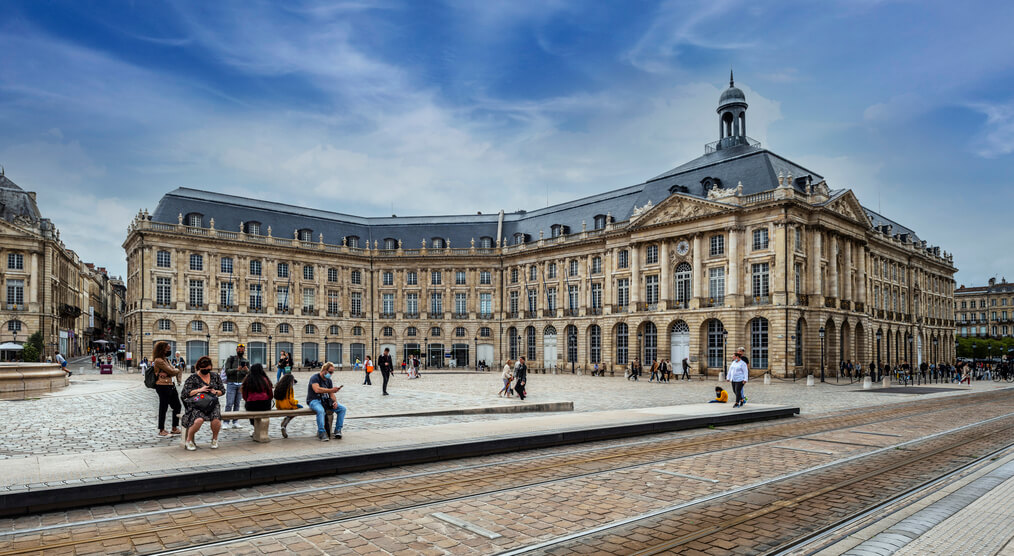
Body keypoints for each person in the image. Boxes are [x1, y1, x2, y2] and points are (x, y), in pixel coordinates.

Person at [180, 356, 224, 450]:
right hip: (198, 404)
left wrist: (215, 392)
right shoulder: (193, 378)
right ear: (199, 367)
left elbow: (222, 391)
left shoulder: (215, 376)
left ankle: (214, 439)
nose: (206, 371)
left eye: (208, 369)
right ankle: (189, 440)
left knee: (216, 420)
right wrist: (200, 390)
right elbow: (185, 394)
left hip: (212, 403)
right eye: (203, 369)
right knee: (198, 420)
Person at [307, 362, 346, 441]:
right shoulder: (315, 378)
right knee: (320, 411)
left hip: (325, 401)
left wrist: (335, 402)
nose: (331, 374)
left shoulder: (328, 380)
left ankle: (338, 430)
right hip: (314, 400)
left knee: (342, 409)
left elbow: (331, 394)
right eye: (330, 372)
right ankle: (322, 432)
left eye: (332, 372)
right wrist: (331, 389)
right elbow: (317, 389)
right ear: (324, 370)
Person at [152, 341, 183, 437]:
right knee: (163, 407)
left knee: (177, 406)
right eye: (168, 349)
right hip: (162, 386)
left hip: (170, 384)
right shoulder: (159, 360)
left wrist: (173, 371)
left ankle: (174, 427)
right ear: (162, 349)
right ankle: (161, 430)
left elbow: (173, 370)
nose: (169, 350)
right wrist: (173, 371)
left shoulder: (166, 360)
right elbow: (172, 371)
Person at [222, 344, 250, 429]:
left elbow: (248, 373)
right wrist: (236, 370)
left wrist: (246, 370)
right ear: (236, 350)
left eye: (242, 349)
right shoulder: (230, 359)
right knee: (229, 403)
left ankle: (235, 421)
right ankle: (226, 422)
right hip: (231, 383)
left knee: (237, 404)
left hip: (240, 384)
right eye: (239, 349)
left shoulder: (246, 361)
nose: (241, 350)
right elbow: (227, 371)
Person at [241, 363, 273, 431]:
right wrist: (269, 399)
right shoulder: (265, 379)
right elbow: (270, 392)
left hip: (251, 404)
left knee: (251, 412)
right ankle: (261, 429)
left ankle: (255, 427)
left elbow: (244, 394)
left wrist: (248, 400)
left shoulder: (248, 379)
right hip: (265, 404)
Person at [273, 373, 302, 438]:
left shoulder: (278, 386)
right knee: (300, 408)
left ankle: (286, 421)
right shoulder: (289, 388)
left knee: (295, 409)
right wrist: (296, 402)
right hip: (287, 406)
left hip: (279, 406)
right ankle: (286, 421)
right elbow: (291, 400)